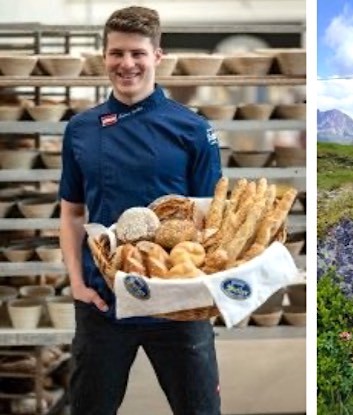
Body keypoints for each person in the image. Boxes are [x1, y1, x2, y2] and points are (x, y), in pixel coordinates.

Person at [59, 6, 222, 414]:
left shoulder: (193, 128)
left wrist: (209, 290)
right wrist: (77, 285)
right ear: (104, 56)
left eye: (137, 53)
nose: (126, 64)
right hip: (103, 301)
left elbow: (210, 222)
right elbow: (71, 213)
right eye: (116, 53)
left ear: (157, 56)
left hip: (177, 305)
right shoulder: (80, 129)